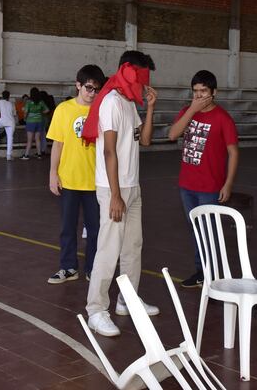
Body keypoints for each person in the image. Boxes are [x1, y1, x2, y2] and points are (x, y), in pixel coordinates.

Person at [83, 50, 159, 337]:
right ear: (128, 72)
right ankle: (96, 309)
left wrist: (150, 107)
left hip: (132, 185)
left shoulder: (129, 103)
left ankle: (127, 299)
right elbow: (108, 150)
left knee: (132, 248)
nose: (143, 84)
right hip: (113, 187)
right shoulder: (111, 102)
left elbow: (147, 140)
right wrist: (115, 195)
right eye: (140, 77)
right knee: (108, 248)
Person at [167, 70, 239, 288]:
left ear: (214, 92)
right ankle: (202, 271)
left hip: (210, 185)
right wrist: (192, 110)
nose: (199, 95)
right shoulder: (186, 112)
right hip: (187, 184)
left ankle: (214, 274)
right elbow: (172, 135)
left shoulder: (223, 118)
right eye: (196, 91)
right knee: (195, 229)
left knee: (210, 231)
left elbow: (234, 152)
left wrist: (228, 183)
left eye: (203, 91)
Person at [46, 64, 106, 284]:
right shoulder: (64, 109)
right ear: (78, 85)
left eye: (97, 90)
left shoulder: (102, 110)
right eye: (89, 88)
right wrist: (53, 173)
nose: (92, 93)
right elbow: (57, 144)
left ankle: (93, 268)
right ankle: (68, 267)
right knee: (67, 227)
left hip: (96, 181)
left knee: (95, 229)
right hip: (69, 179)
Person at [21, 87, 49, 160]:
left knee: (30, 139)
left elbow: (26, 112)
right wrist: (40, 113)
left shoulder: (29, 102)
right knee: (38, 139)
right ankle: (39, 154)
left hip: (30, 122)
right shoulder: (41, 102)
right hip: (39, 121)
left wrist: (25, 118)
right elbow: (47, 110)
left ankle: (26, 155)